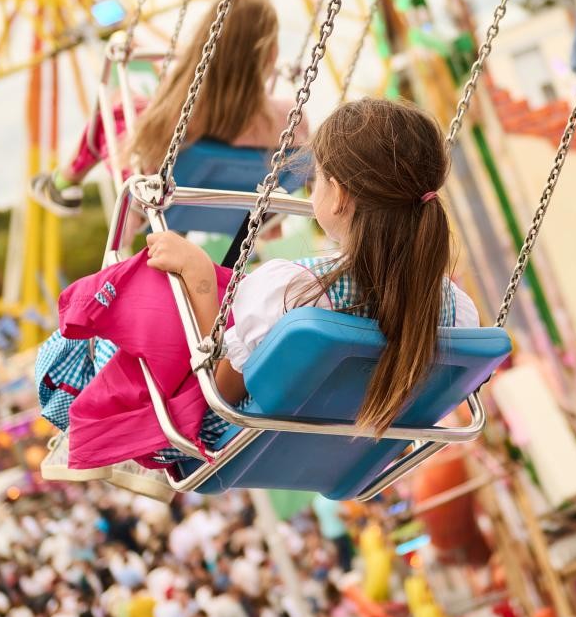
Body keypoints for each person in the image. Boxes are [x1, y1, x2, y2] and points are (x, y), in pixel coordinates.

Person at [40, 97, 478, 481]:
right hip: (347, 451)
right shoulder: (458, 312)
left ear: (339, 197)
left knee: (116, 317)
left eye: (318, 179)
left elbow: (221, 394)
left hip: (241, 442)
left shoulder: (290, 290)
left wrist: (198, 279)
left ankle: (107, 436)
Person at [31, 0, 305, 215]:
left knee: (114, 110)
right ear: (271, 53)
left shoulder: (183, 117)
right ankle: (65, 181)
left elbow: (143, 168)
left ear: (203, 47)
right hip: (246, 220)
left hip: (169, 211)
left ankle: (66, 181)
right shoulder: (292, 121)